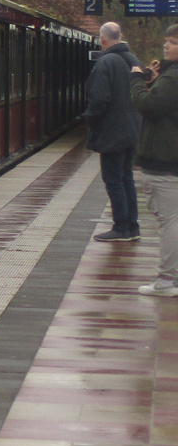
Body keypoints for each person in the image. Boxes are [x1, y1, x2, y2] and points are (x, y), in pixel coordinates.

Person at [131, 25, 178, 295]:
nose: (166, 46)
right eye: (167, 41)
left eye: (173, 42)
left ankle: (167, 281)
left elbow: (149, 107)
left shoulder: (173, 78)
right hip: (169, 159)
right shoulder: (170, 77)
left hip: (164, 161)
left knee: (169, 221)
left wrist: (138, 81)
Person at [83, 21, 141, 241]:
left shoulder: (105, 62)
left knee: (113, 179)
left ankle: (120, 227)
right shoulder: (132, 60)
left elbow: (99, 98)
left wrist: (88, 118)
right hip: (132, 130)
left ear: (103, 39)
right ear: (120, 36)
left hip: (113, 133)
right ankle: (132, 227)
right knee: (127, 178)